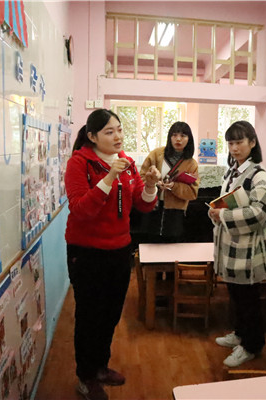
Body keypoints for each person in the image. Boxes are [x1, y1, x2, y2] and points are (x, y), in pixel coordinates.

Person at [64, 109, 161, 400]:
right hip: (87, 252)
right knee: (89, 316)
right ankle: (85, 376)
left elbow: (142, 206)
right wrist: (108, 179)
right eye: (109, 132)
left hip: (120, 249)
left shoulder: (127, 163)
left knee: (110, 314)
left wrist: (153, 184)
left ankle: (100, 367)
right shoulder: (79, 163)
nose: (117, 136)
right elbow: (80, 209)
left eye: (119, 129)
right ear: (92, 136)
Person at [209, 121, 266, 367]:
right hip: (230, 246)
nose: (234, 148)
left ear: (252, 143)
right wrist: (215, 211)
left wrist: (223, 216)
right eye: (231, 143)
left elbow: (260, 213)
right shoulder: (232, 171)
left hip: (248, 250)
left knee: (249, 299)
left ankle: (252, 345)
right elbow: (222, 201)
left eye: (239, 142)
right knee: (236, 295)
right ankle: (240, 333)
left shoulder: (259, 175)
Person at [138, 121, 199, 243]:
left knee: (172, 244)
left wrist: (174, 186)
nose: (178, 139)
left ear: (189, 139)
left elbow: (193, 193)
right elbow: (141, 178)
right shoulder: (156, 154)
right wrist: (154, 183)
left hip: (175, 212)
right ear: (169, 137)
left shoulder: (191, 164)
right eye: (174, 135)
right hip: (153, 207)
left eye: (183, 136)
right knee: (149, 241)